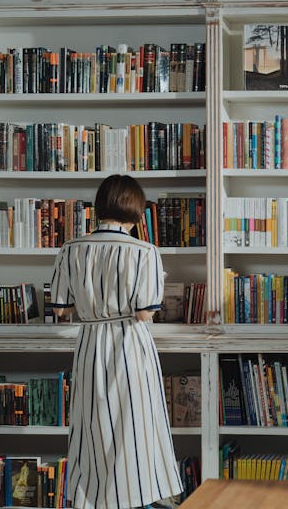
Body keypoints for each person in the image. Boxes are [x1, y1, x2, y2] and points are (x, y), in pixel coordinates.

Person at [51, 174, 182, 509]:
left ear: (100, 206)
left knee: (91, 428)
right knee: (133, 429)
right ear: (136, 211)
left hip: (90, 343)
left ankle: (92, 499)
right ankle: (135, 498)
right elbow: (144, 313)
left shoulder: (71, 249)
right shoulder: (145, 251)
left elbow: (62, 308)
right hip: (128, 344)